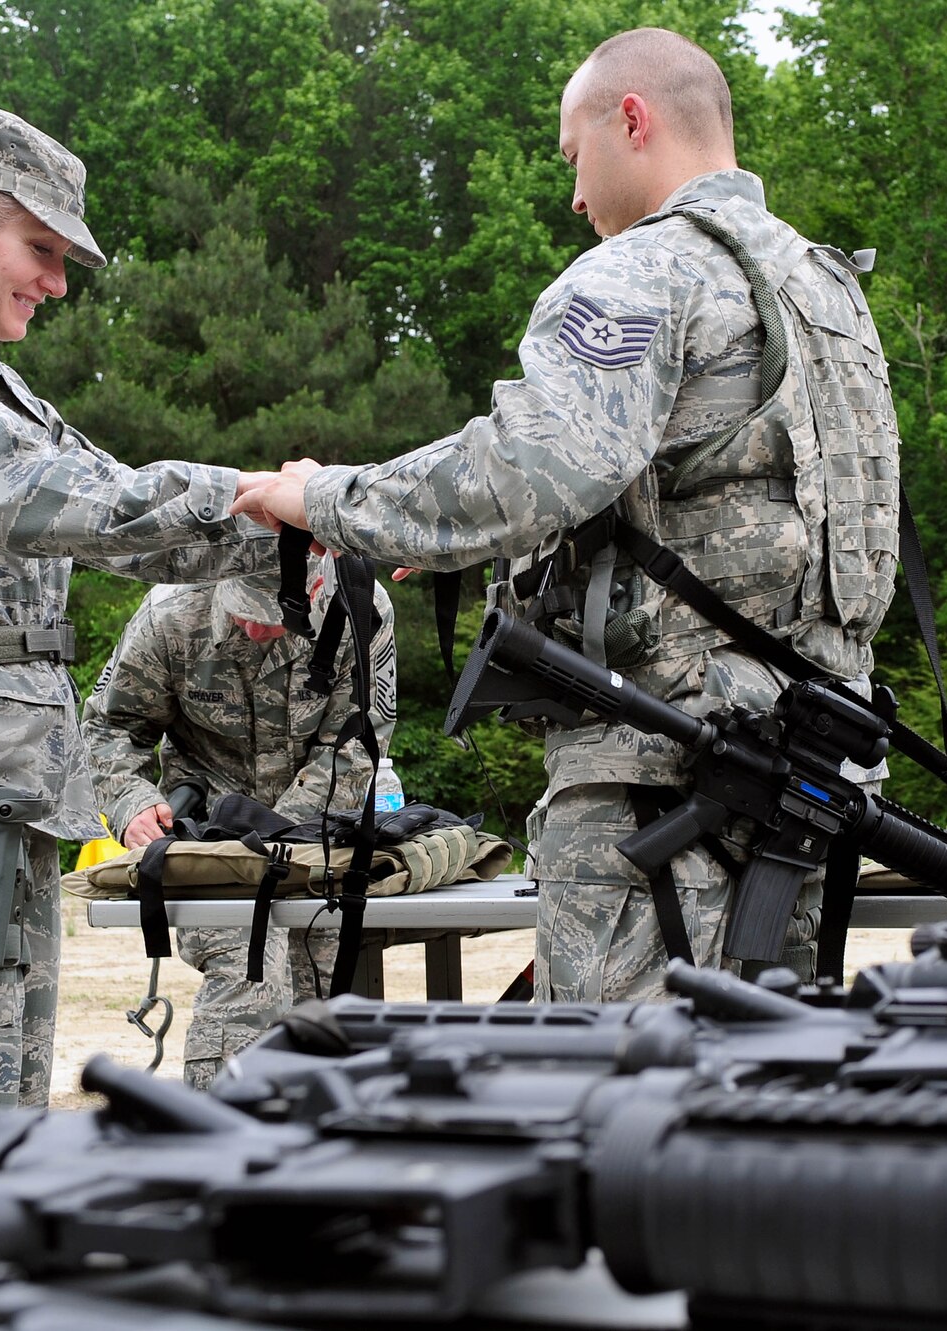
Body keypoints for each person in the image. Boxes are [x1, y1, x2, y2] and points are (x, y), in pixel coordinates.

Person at [233, 29, 901, 1000]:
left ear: (630, 120)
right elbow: (742, 506)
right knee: (753, 1095)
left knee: (617, 1111)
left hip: (669, 780)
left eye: (570, 156)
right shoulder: (825, 288)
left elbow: (522, 469)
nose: (572, 196)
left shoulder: (642, 272)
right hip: (808, 774)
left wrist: (326, 500)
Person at [0, 98, 280, 1107]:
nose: (57, 282)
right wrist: (238, 487)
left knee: (4, 1113)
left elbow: (127, 523)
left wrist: (308, 526)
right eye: (40, 247)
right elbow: (24, 496)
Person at [81, 568, 397, 1088]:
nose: (254, 630)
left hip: (313, 835)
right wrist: (133, 802)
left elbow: (354, 745)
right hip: (211, 841)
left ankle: (314, 1145)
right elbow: (111, 727)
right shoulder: (170, 614)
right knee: (249, 973)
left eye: (272, 621)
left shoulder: (359, 610)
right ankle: (218, 1133)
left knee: (318, 996)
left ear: (314, 589)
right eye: (243, 613)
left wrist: (279, 838)